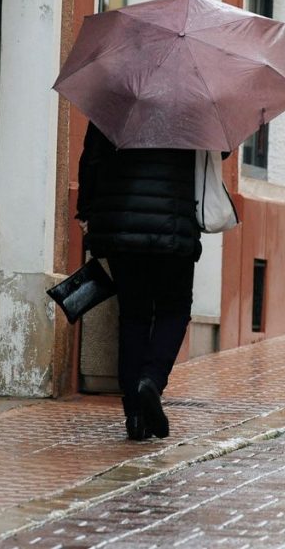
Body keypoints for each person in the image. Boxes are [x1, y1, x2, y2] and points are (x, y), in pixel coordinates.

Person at [76, 122, 200, 440]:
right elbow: (217, 156)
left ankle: (134, 415)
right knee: (174, 309)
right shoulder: (192, 104)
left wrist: (86, 211)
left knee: (133, 316)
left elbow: (91, 160)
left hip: (119, 227)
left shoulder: (116, 96)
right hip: (172, 229)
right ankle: (151, 382)